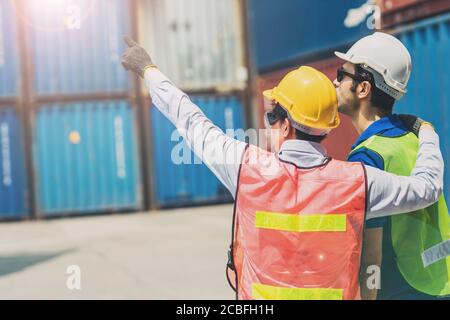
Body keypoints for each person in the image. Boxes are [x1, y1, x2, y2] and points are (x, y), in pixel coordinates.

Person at [121, 36, 444, 300]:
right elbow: (427, 188)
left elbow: (190, 120)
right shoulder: (357, 182)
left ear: (284, 126)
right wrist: (426, 133)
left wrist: (147, 69)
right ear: (328, 128)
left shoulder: (246, 169)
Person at [334, 32, 450, 300]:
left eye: (343, 74)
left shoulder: (368, 157)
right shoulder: (414, 135)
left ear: (363, 88)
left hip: (404, 289)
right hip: (441, 278)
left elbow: (371, 258)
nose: (335, 81)